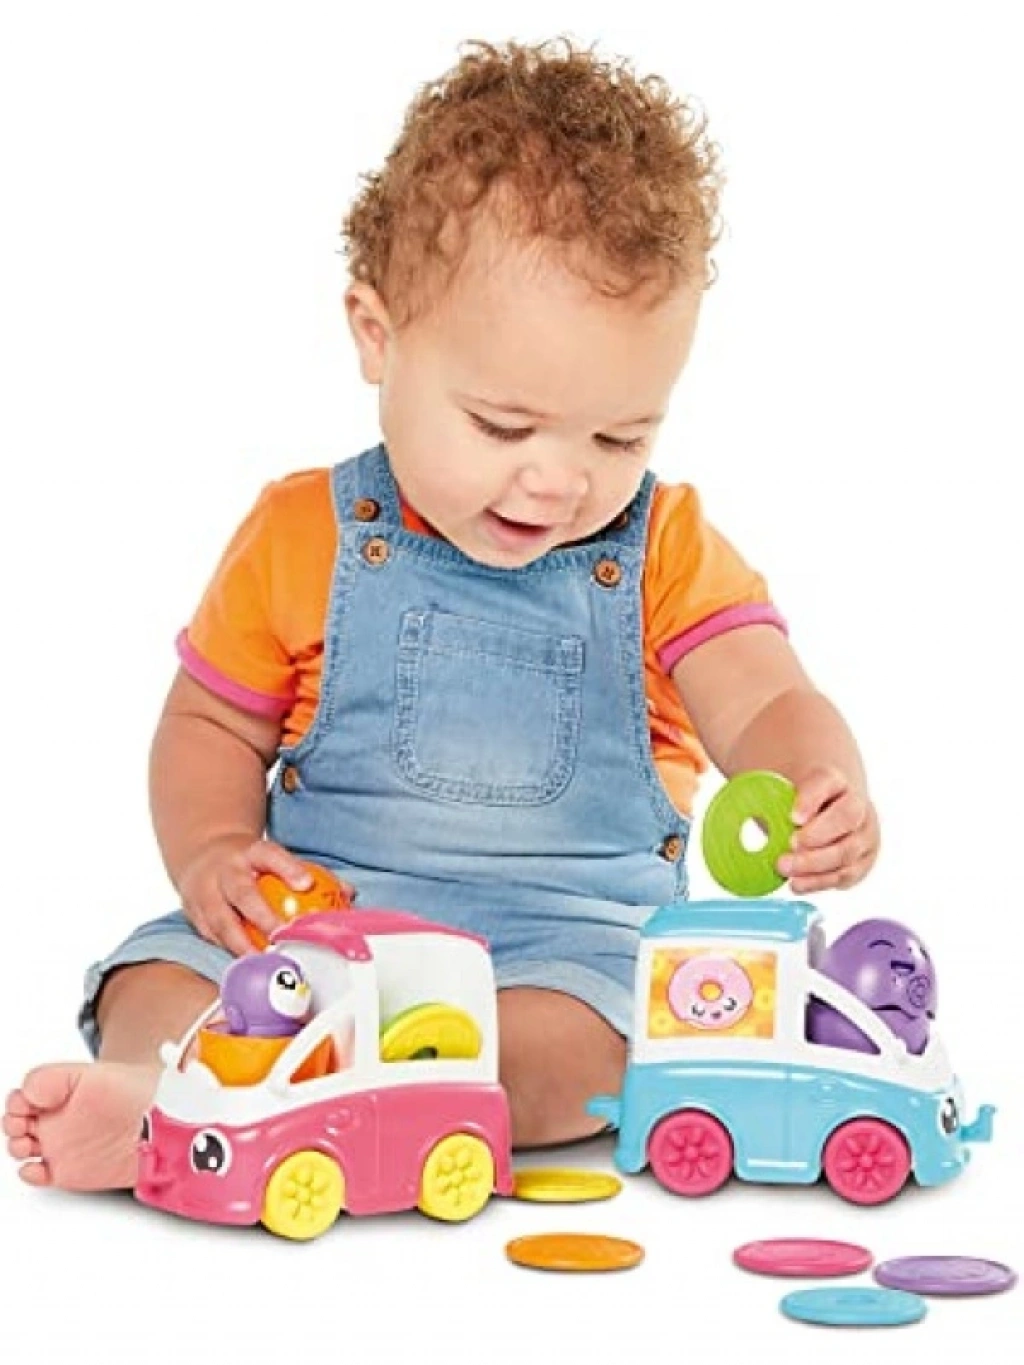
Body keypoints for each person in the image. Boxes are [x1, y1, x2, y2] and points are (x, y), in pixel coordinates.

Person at [4, 36, 879, 1192]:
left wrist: (815, 779)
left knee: (580, 1055)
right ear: (378, 337)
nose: (559, 481)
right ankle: (159, 1088)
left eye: (619, 436)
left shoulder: (662, 551)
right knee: (158, 979)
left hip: (556, 947)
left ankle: (326, 1103)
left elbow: (763, 695)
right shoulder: (303, 535)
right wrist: (212, 849)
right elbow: (208, 725)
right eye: (503, 428)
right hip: (320, 931)